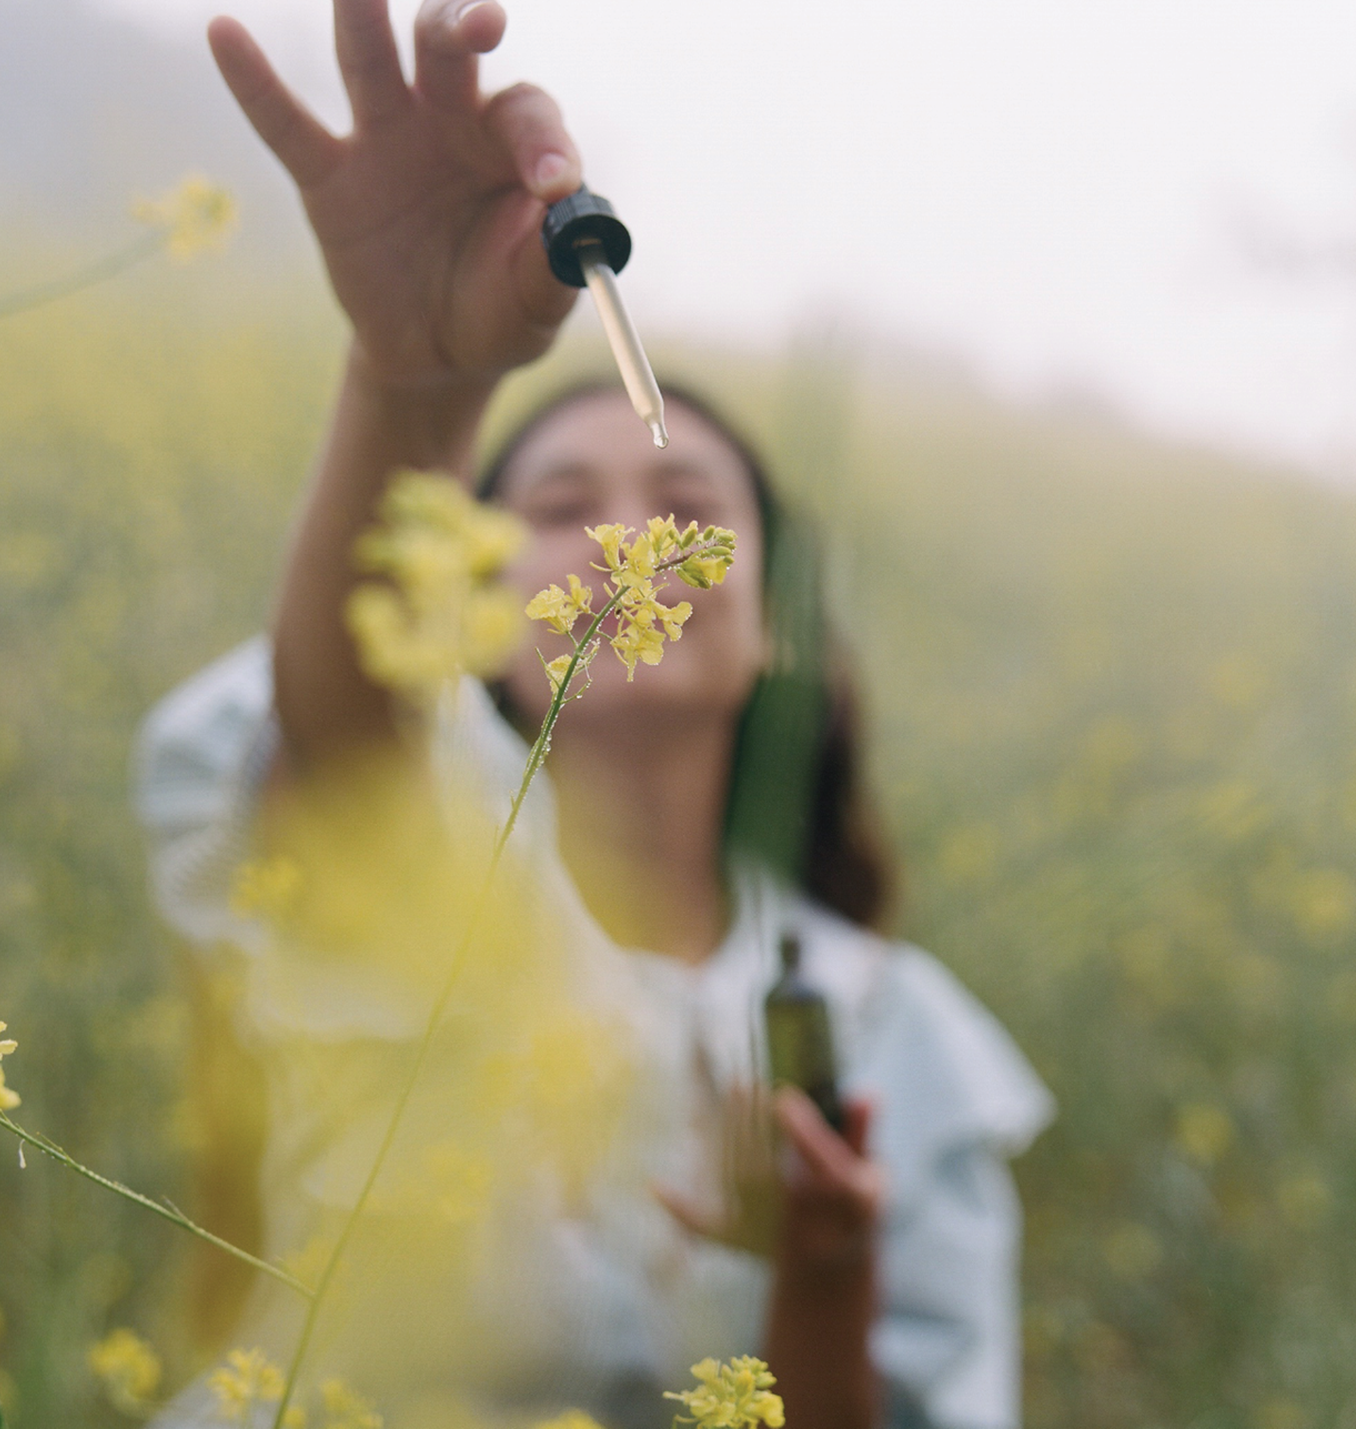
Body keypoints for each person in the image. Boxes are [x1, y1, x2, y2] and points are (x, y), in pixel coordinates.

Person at [134, 3, 1054, 1426]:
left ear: (781, 634)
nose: (627, 542)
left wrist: (820, 1279)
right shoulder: (429, 850)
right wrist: (416, 379)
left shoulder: (900, 1036)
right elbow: (341, 734)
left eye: (687, 514)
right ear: (478, 617)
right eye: (559, 510)